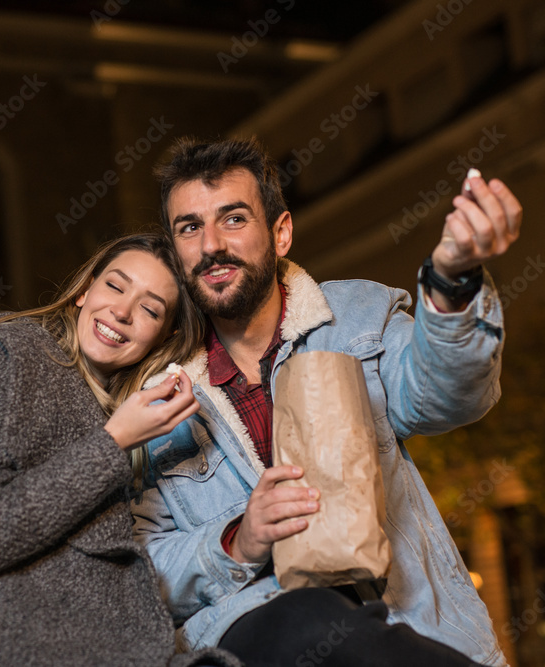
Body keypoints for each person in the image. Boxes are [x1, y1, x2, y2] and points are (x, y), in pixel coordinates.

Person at [131, 138, 523, 667]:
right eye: (190, 227)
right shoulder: (153, 397)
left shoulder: (356, 317)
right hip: (262, 643)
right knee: (306, 617)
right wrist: (237, 540)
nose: (211, 245)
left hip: (415, 632)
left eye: (234, 219)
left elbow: (449, 395)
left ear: (281, 232)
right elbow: (143, 574)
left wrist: (451, 279)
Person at [0, 234, 241, 667]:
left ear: (164, 336)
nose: (121, 311)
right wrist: (112, 442)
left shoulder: (113, 411)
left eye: (150, 309)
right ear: (84, 290)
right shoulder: (7, 356)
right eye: (115, 286)